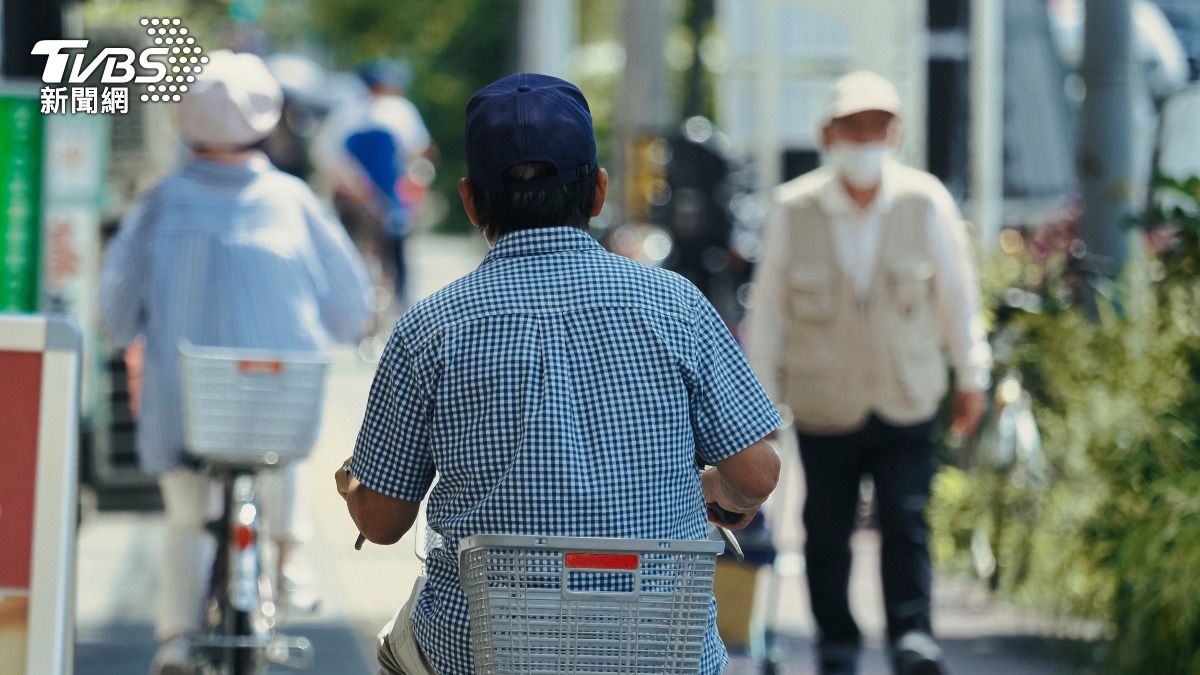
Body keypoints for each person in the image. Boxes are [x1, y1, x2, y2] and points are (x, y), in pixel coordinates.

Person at [333, 73, 783, 675]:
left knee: (397, 646)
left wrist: (353, 489)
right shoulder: (676, 303)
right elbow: (756, 473)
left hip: (483, 654)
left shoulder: (431, 326)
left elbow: (385, 523)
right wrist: (720, 494)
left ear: (470, 201)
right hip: (659, 652)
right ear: (597, 192)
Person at [99, 51, 374, 675]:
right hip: (279, 404)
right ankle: (290, 550)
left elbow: (115, 311)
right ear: (269, 120)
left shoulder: (161, 203)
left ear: (184, 122)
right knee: (282, 436)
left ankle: (174, 637)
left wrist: (131, 330)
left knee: (186, 518)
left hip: (183, 405)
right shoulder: (294, 200)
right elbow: (350, 306)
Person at [743, 71, 992, 675]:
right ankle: (836, 638)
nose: (865, 138)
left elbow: (958, 296)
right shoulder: (793, 208)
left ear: (896, 133)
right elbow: (769, 313)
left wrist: (970, 376)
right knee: (824, 526)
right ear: (829, 133)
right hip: (825, 397)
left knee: (907, 520)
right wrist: (756, 408)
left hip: (906, 392)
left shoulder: (924, 199)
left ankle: (913, 635)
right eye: (853, 127)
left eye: (877, 127)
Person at [311, 59, 437, 312]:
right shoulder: (397, 111)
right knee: (387, 254)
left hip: (364, 197)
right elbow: (420, 152)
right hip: (378, 198)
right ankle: (396, 307)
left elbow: (325, 156)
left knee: (362, 254)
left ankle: (363, 307)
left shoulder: (347, 114)